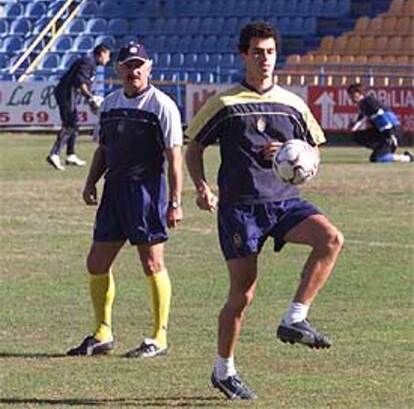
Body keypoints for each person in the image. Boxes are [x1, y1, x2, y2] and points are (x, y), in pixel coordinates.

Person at [185, 21, 344, 400]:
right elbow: (193, 147)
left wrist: (294, 151)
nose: (265, 59)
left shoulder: (292, 103)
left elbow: (314, 148)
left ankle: (295, 319)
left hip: (284, 202)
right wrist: (202, 187)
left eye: (270, 52)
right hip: (241, 209)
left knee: (331, 239)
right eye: (257, 52)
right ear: (244, 56)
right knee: (243, 295)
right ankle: (224, 370)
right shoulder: (223, 104)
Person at [67, 41, 183, 358]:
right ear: (118, 69)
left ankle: (159, 337)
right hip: (114, 190)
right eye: (128, 65)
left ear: (149, 67)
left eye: (139, 65)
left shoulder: (162, 105)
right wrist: (91, 181)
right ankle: (103, 333)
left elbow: (174, 157)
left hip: (146, 190)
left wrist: (175, 201)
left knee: (152, 262)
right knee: (97, 262)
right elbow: (103, 149)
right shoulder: (109, 104)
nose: (134, 70)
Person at [46, 43, 111, 171]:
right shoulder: (89, 62)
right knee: (70, 123)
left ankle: (70, 155)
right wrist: (90, 98)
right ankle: (54, 153)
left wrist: (89, 98)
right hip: (66, 92)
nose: (108, 59)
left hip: (69, 92)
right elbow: (80, 82)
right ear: (102, 53)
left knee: (75, 123)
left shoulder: (91, 63)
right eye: (107, 55)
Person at [347, 83, 413, 163]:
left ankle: (407, 158)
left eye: (352, 93)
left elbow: (382, 115)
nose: (351, 97)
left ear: (360, 93)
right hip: (385, 132)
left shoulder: (368, 102)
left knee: (380, 158)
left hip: (392, 131)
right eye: (349, 94)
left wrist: (391, 134)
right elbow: (362, 116)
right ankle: (382, 149)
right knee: (358, 139)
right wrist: (354, 126)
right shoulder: (364, 104)